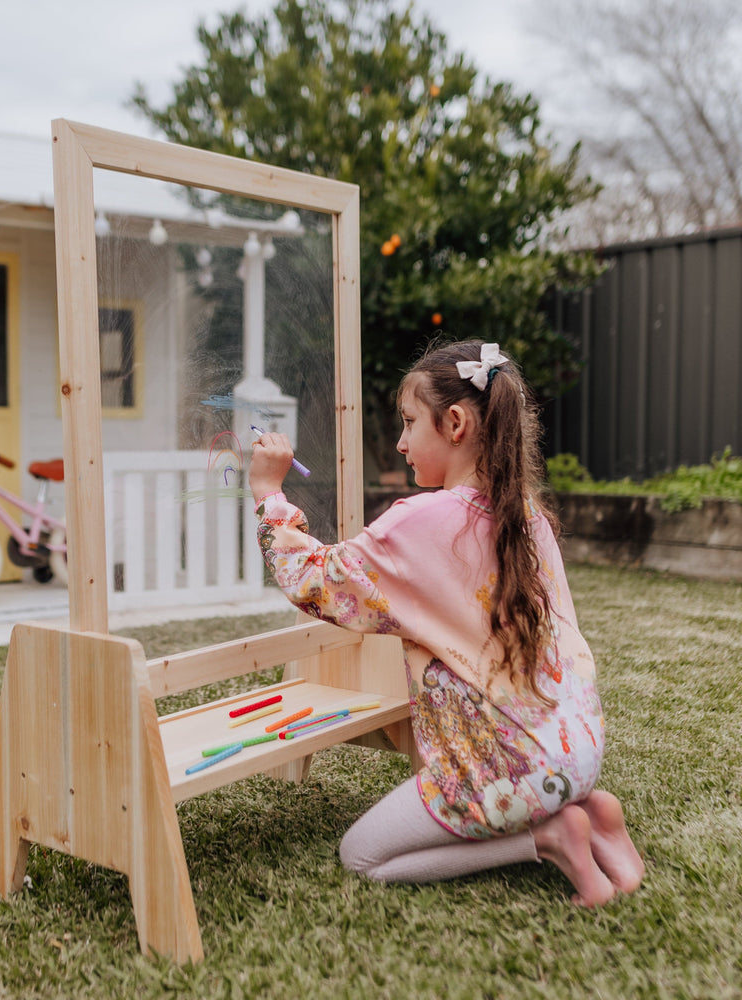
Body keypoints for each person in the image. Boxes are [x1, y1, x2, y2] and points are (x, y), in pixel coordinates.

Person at [248, 340, 644, 906]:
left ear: (454, 422)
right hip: (577, 749)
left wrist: (268, 491)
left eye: (409, 424)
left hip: (511, 771)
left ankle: (551, 835)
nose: (402, 443)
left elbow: (316, 581)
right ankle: (591, 811)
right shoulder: (528, 516)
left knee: (361, 856)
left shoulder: (421, 521)